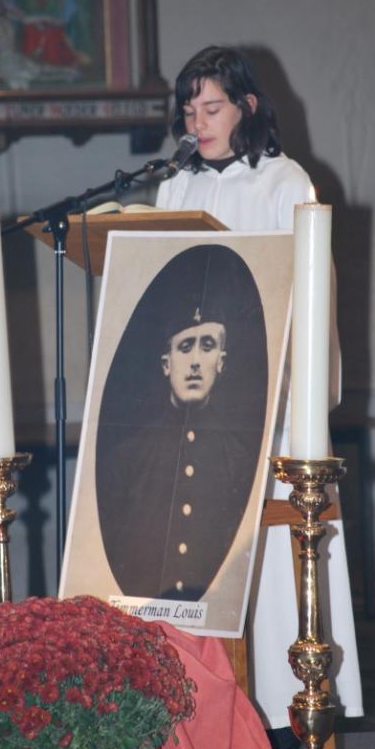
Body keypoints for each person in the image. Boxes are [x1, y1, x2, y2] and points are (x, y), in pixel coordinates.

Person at [156, 44, 363, 742]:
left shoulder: (285, 181)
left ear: (246, 107)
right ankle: (200, 709)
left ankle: (287, 705)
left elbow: (307, 292)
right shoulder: (175, 188)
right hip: (194, 407)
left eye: (212, 108)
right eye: (189, 110)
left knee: (277, 561)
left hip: (268, 400)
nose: (198, 123)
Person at [96, 243, 268, 603]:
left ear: (221, 362)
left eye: (207, 346)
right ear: (166, 364)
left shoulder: (240, 457)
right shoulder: (128, 457)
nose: (195, 362)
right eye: (185, 347)